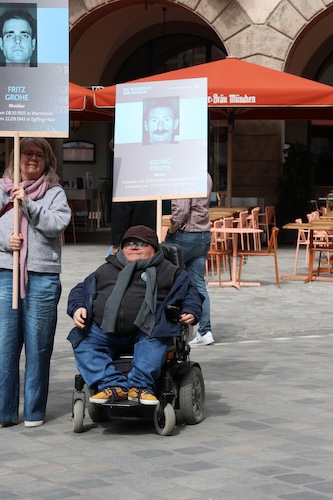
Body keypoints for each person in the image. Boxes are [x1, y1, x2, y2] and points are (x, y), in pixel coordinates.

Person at [67, 225, 202, 405]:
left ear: (153, 248)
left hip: (148, 328)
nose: (134, 247)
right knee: (83, 341)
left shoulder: (169, 271)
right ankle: (112, 385)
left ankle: (140, 387)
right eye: (128, 243)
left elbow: (191, 293)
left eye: (141, 243)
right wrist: (78, 308)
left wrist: (191, 310)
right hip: (106, 328)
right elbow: (81, 289)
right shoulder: (106, 269)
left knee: (156, 340)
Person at [0, 138, 71, 428]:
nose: (32, 158)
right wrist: (6, 240)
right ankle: (5, 412)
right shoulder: (2, 188)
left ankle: (33, 411)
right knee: (5, 346)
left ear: (47, 161)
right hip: (6, 273)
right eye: (26, 153)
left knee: (38, 347)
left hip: (42, 276)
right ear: (16, 159)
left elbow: (57, 225)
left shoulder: (54, 193)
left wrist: (28, 204)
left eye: (38, 155)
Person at [165, 173, 214, 346]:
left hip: (185, 234)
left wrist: (171, 230)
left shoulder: (184, 175)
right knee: (199, 283)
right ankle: (205, 331)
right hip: (203, 234)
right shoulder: (205, 175)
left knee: (169, 278)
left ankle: (172, 330)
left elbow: (182, 210)